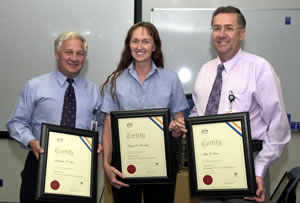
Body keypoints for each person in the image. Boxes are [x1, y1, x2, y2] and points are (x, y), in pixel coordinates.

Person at [181, 6, 291, 203]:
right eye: (216, 28)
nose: (222, 34)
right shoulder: (205, 70)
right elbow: (199, 113)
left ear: (242, 33)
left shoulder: (259, 69)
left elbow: (278, 128)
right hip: (209, 164)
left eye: (229, 28)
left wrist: (258, 170)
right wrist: (184, 125)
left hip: (247, 163)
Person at [6, 31, 104, 203]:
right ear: (57, 54)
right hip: (39, 165)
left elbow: (101, 126)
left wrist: (100, 143)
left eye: (79, 53)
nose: (74, 58)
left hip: (79, 172)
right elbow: (16, 122)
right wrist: (31, 141)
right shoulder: (35, 86)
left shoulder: (95, 91)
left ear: (84, 58)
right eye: (68, 52)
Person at [101, 21, 189, 203]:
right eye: (135, 41)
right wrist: (106, 165)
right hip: (124, 165)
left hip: (161, 165)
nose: (140, 47)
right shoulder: (115, 81)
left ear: (154, 46)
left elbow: (178, 128)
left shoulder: (171, 79)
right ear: (128, 45)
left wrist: (175, 128)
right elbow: (108, 127)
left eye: (146, 41)